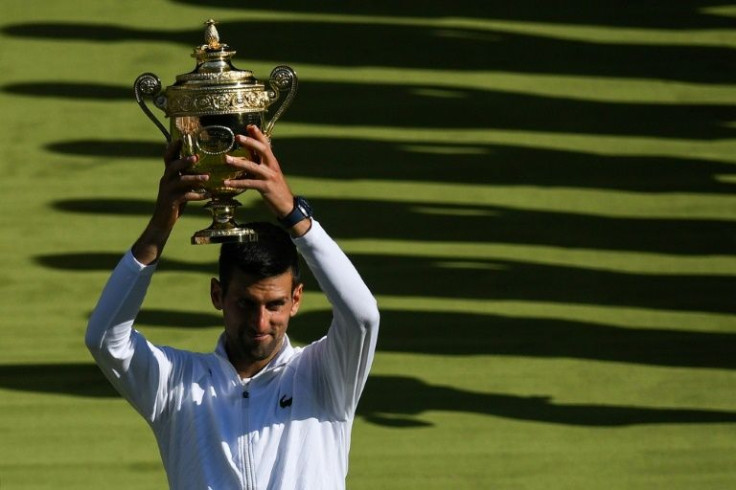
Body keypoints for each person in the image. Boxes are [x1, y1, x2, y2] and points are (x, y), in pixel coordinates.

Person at [85, 125, 380, 489]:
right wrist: (160, 225)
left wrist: (294, 215)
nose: (261, 321)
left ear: (296, 300)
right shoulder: (176, 383)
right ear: (217, 296)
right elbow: (104, 340)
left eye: (275, 304)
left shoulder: (325, 376)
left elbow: (363, 317)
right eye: (245, 303)